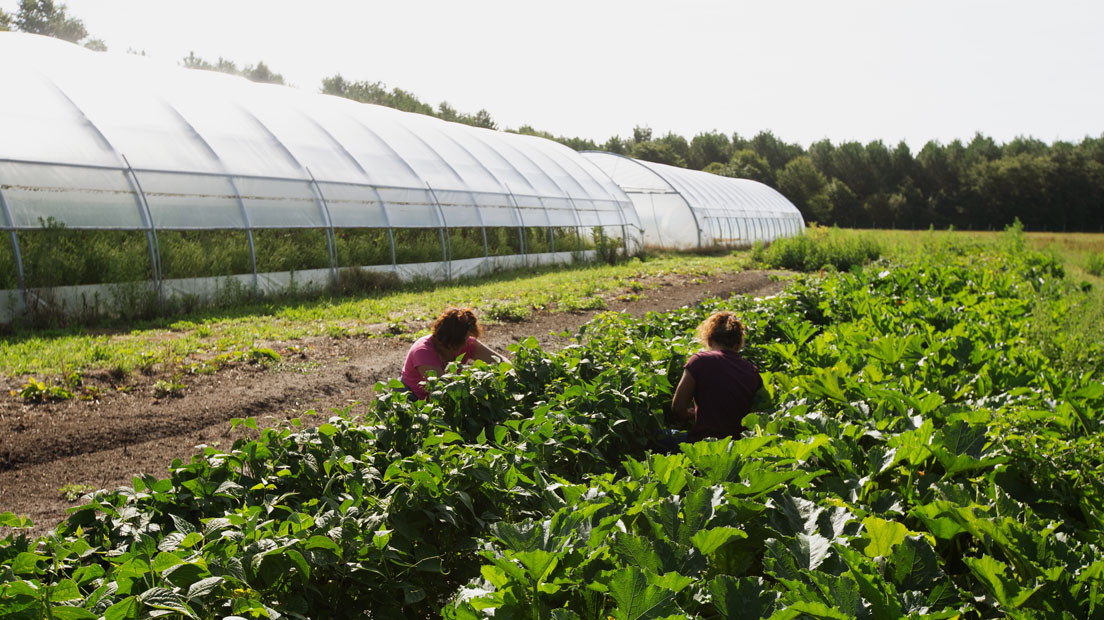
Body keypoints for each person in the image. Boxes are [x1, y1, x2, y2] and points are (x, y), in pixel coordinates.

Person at [669, 311, 763, 443]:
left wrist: (690, 414)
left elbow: (678, 407)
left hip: (702, 443)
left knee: (657, 436)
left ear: (709, 341)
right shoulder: (752, 370)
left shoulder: (699, 361)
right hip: (737, 445)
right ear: (738, 344)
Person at [400, 307, 508, 400]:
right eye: (465, 339)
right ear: (452, 341)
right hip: (412, 397)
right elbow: (444, 390)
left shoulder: (466, 342)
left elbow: (501, 361)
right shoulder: (423, 352)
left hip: (436, 399)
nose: (468, 342)